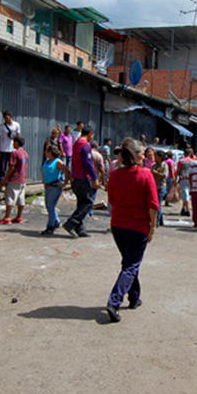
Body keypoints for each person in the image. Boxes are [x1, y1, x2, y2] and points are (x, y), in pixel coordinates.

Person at [104, 138, 159, 323]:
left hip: (118, 225)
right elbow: (153, 205)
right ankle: (114, 301)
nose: (144, 156)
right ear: (134, 155)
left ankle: (134, 298)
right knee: (131, 265)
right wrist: (153, 226)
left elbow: (111, 199)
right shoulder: (145, 174)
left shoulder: (115, 175)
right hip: (137, 227)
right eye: (142, 153)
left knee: (129, 263)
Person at [63, 127, 98, 237]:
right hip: (83, 178)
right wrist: (95, 178)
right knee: (88, 202)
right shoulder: (85, 145)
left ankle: (80, 229)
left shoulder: (76, 143)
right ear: (90, 134)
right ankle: (71, 223)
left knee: (81, 203)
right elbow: (88, 164)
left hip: (76, 177)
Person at [0, 135, 29, 225]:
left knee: (10, 198)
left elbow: (11, 167)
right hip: (22, 178)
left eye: (14, 141)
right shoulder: (25, 153)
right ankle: (18, 217)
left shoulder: (14, 153)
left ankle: (7, 217)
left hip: (15, 178)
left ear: (16, 142)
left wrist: (5, 179)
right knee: (21, 198)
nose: (12, 143)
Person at [41, 145, 70, 235]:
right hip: (48, 186)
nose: (45, 153)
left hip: (55, 186)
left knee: (51, 206)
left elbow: (67, 171)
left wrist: (64, 183)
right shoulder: (47, 161)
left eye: (47, 151)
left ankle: (51, 226)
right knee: (49, 206)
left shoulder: (58, 162)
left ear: (50, 152)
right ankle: (56, 221)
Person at [0, 111, 21, 190]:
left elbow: (18, 136)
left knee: (12, 167)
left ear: (10, 117)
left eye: (7, 117)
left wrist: (18, 148)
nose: (6, 119)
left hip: (12, 149)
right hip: (4, 149)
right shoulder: (1, 127)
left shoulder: (16, 125)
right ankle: (2, 183)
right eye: (4, 118)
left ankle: (10, 183)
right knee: (2, 167)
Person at [151, 151, 169, 226]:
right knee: (157, 204)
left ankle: (157, 221)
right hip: (154, 187)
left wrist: (155, 173)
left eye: (156, 156)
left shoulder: (164, 165)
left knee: (157, 204)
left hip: (161, 187)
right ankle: (161, 220)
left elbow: (164, 175)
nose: (154, 158)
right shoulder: (154, 165)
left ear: (160, 157)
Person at [178, 148, 194, 217]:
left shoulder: (181, 161)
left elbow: (178, 170)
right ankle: (183, 209)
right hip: (191, 179)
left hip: (183, 178)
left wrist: (175, 179)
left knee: (185, 194)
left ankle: (187, 210)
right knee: (186, 194)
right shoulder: (192, 161)